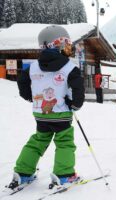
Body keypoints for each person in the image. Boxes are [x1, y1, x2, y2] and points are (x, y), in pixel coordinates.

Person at [8, 25, 85, 190]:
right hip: (61, 112)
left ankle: (23, 173)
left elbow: (22, 82)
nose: (67, 49)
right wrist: (76, 104)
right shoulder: (70, 67)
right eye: (65, 45)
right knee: (64, 142)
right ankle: (64, 175)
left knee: (38, 140)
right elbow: (78, 87)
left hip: (41, 113)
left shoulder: (33, 66)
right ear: (55, 45)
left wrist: (29, 97)